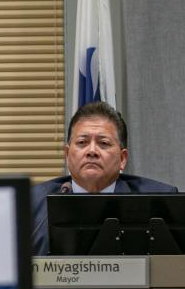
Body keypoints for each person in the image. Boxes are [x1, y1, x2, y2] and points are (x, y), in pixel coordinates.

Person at [31, 101, 177, 255]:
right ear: (67, 155)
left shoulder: (159, 200)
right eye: (82, 142)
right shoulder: (32, 203)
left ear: (122, 159)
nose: (92, 151)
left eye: (103, 143)